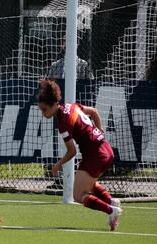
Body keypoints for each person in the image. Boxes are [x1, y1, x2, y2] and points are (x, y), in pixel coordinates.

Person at [37, 79, 122, 231]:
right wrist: (99, 131)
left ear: (54, 104)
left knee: (78, 195)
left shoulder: (63, 122)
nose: (43, 114)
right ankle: (111, 201)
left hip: (96, 155)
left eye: (44, 110)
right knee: (87, 184)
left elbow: (72, 151)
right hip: (104, 149)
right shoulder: (72, 106)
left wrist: (58, 164)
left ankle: (112, 211)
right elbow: (94, 112)